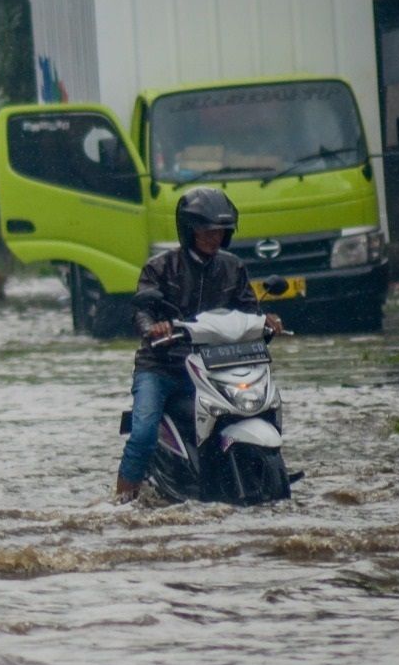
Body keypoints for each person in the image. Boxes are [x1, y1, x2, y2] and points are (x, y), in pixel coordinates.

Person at [115, 187, 284, 502]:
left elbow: (248, 311)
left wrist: (267, 321)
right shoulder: (161, 267)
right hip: (162, 367)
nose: (213, 237)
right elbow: (141, 310)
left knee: (256, 407)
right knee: (143, 433)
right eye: (206, 231)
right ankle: (122, 501)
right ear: (189, 231)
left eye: (220, 231)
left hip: (214, 366)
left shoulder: (233, 267)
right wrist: (155, 329)